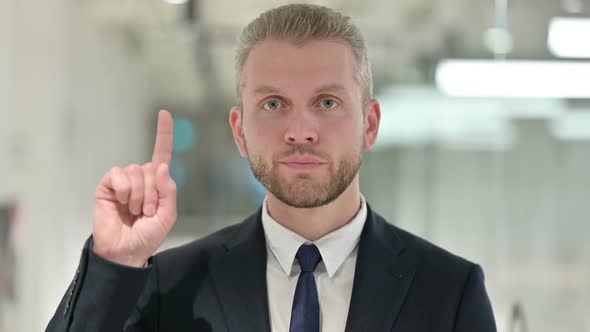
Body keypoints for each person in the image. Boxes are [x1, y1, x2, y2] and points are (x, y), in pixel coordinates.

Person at [46, 4, 496, 332]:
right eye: (274, 103)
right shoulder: (171, 285)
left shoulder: (449, 292)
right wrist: (115, 265)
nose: (301, 131)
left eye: (327, 102)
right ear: (240, 131)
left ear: (370, 124)